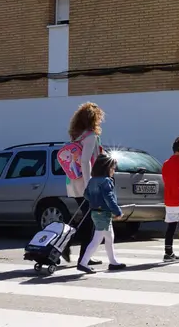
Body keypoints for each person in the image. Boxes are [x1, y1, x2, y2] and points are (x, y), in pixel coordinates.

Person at [62, 102, 105, 266]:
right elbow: (85, 161)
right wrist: (90, 186)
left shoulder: (77, 136)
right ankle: (76, 250)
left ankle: (81, 253)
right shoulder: (91, 137)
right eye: (99, 118)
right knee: (90, 220)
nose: (100, 121)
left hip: (72, 182)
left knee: (88, 219)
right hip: (84, 184)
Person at [78, 153, 127, 274]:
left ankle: (113, 262)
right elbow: (109, 198)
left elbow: (86, 194)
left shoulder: (92, 180)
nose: (114, 171)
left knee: (109, 237)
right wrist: (118, 212)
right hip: (104, 213)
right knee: (98, 239)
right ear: (107, 168)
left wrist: (95, 201)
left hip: (95, 212)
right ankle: (83, 263)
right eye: (113, 168)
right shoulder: (106, 181)